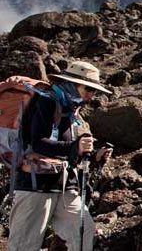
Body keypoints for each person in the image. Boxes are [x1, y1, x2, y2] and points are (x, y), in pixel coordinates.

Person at [8, 61, 113, 251]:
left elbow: (68, 151)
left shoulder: (72, 111)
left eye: (94, 91)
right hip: (36, 184)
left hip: (64, 183)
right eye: (88, 88)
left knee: (83, 231)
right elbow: (38, 143)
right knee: (24, 245)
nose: (91, 95)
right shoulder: (46, 101)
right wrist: (74, 147)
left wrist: (95, 156)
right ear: (72, 84)